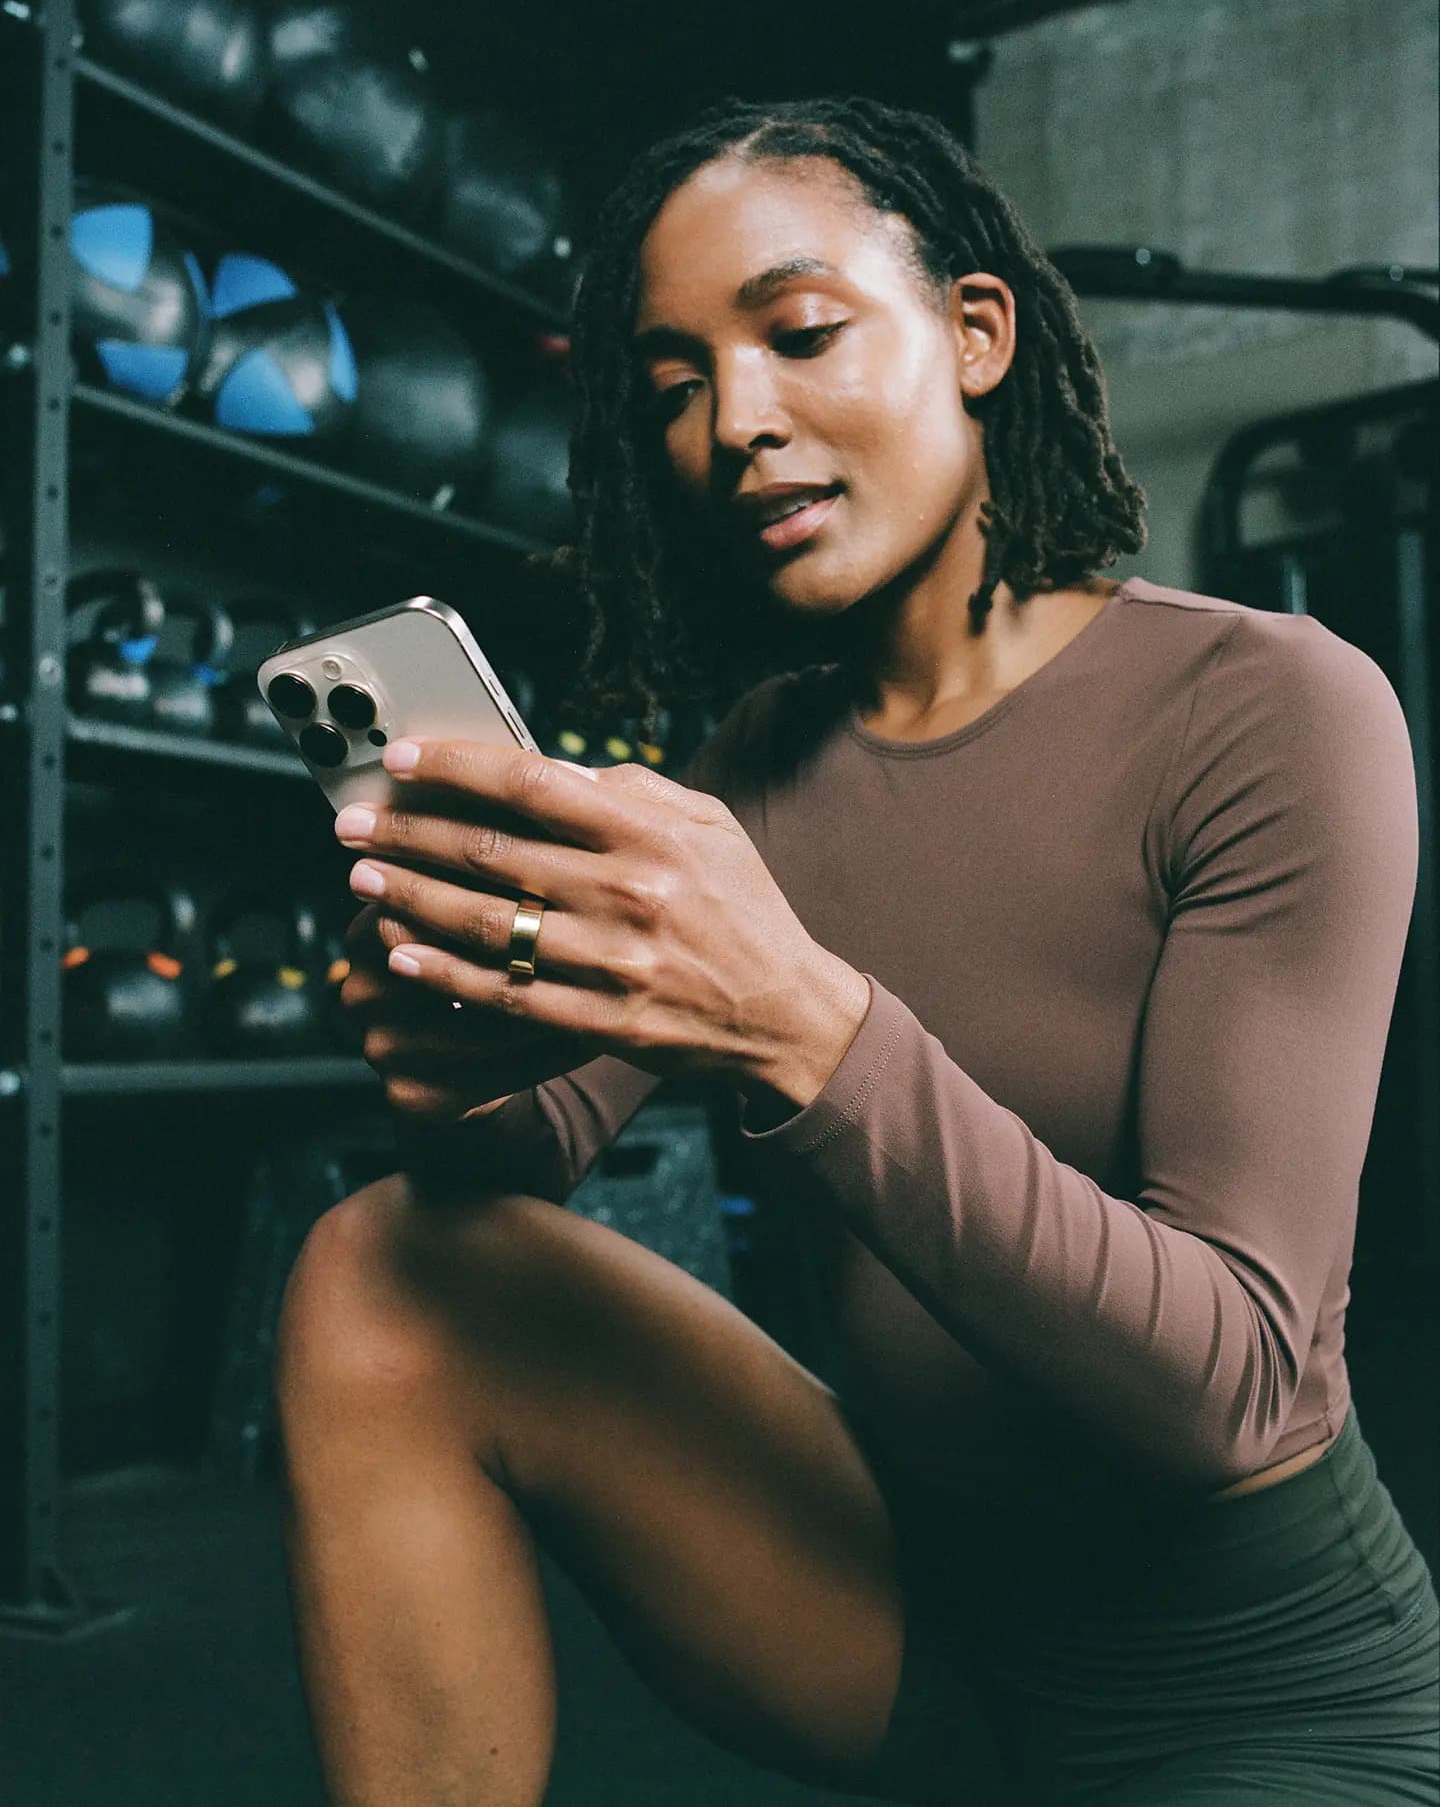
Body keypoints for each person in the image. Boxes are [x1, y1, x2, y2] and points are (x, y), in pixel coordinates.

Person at [274, 96, 1440, 1806]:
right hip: (914, 1618)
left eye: (800, 331)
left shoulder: (1272, 705)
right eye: (675, 387)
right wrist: (457, 1045)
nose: (736, 420)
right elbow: (518, 1153)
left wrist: (810, 1027)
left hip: (1252, 1688)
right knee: (385, 1267)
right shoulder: (758, 757)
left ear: (976, 336)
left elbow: (1238, 1385)